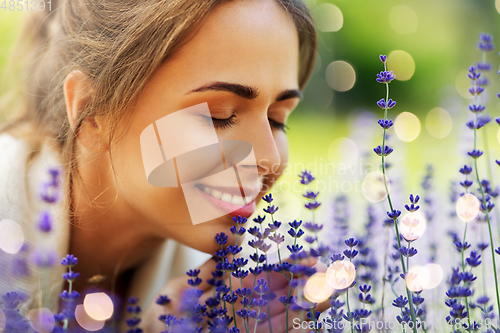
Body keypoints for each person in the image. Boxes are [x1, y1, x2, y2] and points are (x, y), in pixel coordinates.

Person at [0, 0, 318, 331]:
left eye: (277, 120)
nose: (269, 158)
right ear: (91, 113)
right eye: (219, 116)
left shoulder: (233, 291)